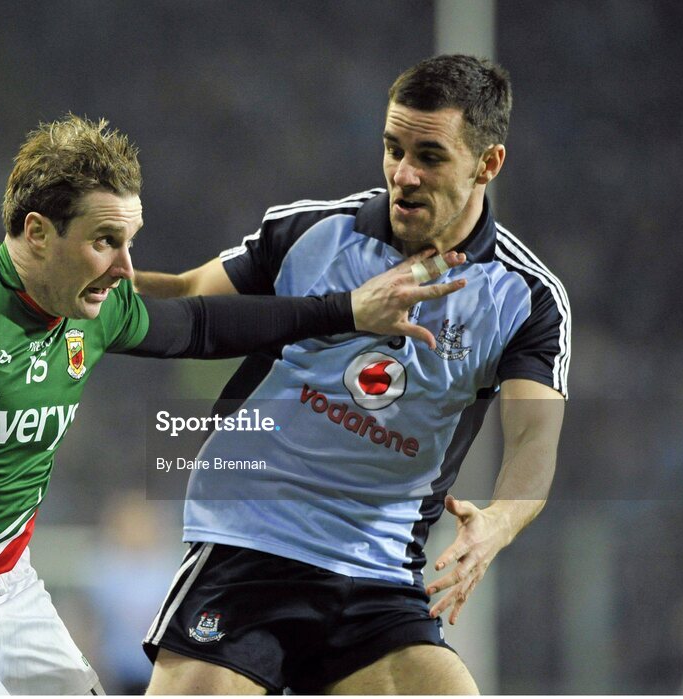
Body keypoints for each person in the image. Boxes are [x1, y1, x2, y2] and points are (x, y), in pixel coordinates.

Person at [0, 114, 464, 695]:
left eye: (130, 240)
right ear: (36, 232)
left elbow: (204, 326)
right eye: (105, 242)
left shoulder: (99, 310)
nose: (125, 267)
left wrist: (346, 310)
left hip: (11, 596)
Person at [138, 55, 570, 695]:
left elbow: (535, 439)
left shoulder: (526, 295)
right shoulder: (311, 232)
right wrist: (68, 282)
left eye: (430, 156)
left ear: (489, 164)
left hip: (380, 573)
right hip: (249, 539)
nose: (404, 175)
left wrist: (497, 525)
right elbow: (183, 296)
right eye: (393, 148)